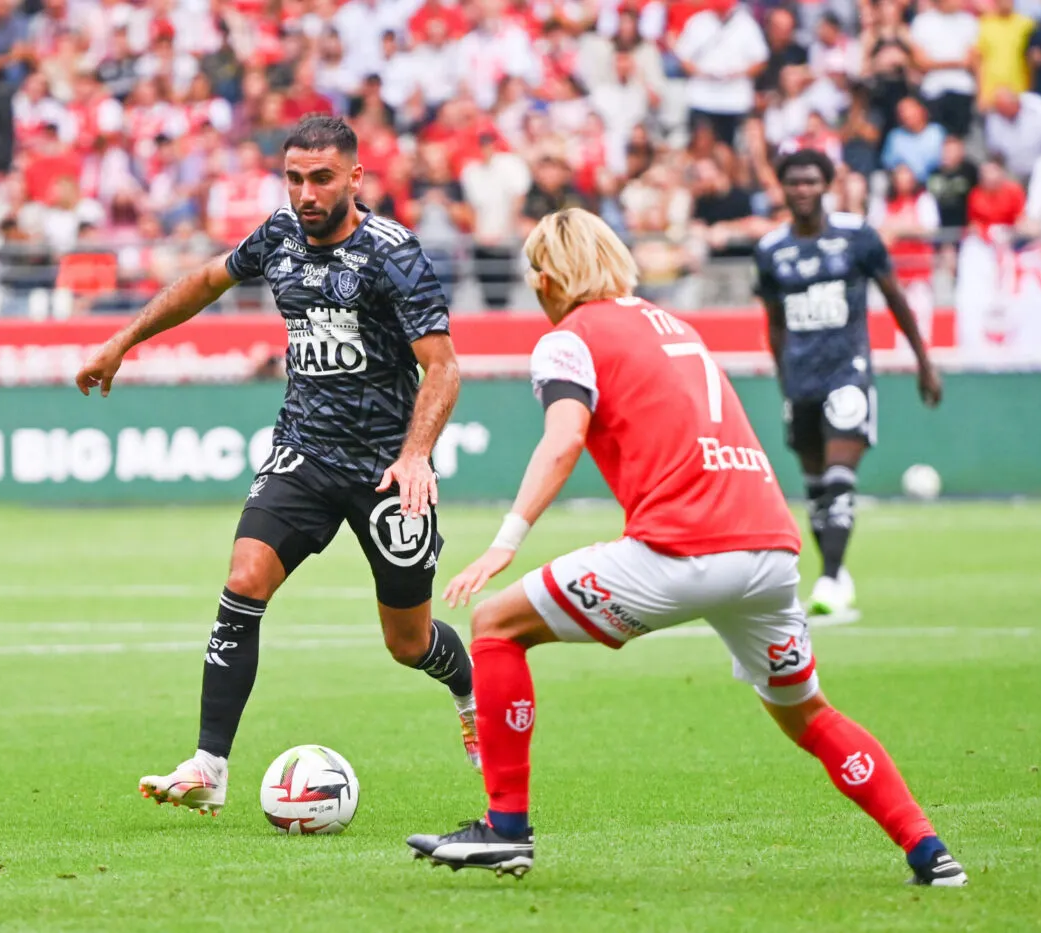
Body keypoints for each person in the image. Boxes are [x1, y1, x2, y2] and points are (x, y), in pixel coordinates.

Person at [403, 208, 967, 888]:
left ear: (548, 278)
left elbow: (563, 439)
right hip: (768, 552)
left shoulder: (570, 336)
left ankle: (506, 828)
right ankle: (930, 851)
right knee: (809, 713)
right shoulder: (672, 323)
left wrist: (505, 541)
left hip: (680, 551)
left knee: (494, 624)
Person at [75, 116, 479, 816]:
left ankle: (468, 690)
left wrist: (416, 454)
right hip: (303, 453)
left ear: (355, 177)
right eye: (294, 177)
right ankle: (209, 765)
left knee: (407, 642)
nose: (306, 192)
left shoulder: (394, 253)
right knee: (244, 576)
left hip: (385, 469)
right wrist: (123, 340)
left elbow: (442, 367)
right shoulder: (279, 236)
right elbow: (206, 280)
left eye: (321, 178)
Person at [753, 150, 942, 616]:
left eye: (811, 181)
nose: (802, 190)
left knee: (839, 480)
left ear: (827, 185)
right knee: (817, 488)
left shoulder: (857, 237)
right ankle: (836, 571)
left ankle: (832, 577)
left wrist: (923, 361)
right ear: (783, 188)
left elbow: (895, 297)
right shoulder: (771, 249)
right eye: (794, 182)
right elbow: (774, 321)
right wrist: (783, 379)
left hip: (848, 373)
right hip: (801, 381)